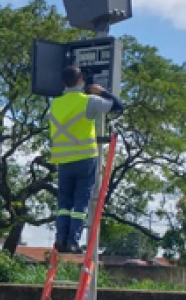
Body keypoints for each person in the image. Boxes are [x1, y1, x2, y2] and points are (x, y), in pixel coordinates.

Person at [51, 66, 125, 254]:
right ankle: (73, 243)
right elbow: (118, 106)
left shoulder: (55, 103)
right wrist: (102, 91)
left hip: (63, 160)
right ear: (81, 80)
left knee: (64, 204)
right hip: (85, 158)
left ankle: (60, 240)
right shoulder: (89, 101)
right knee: (80, 204)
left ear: (62, 83)